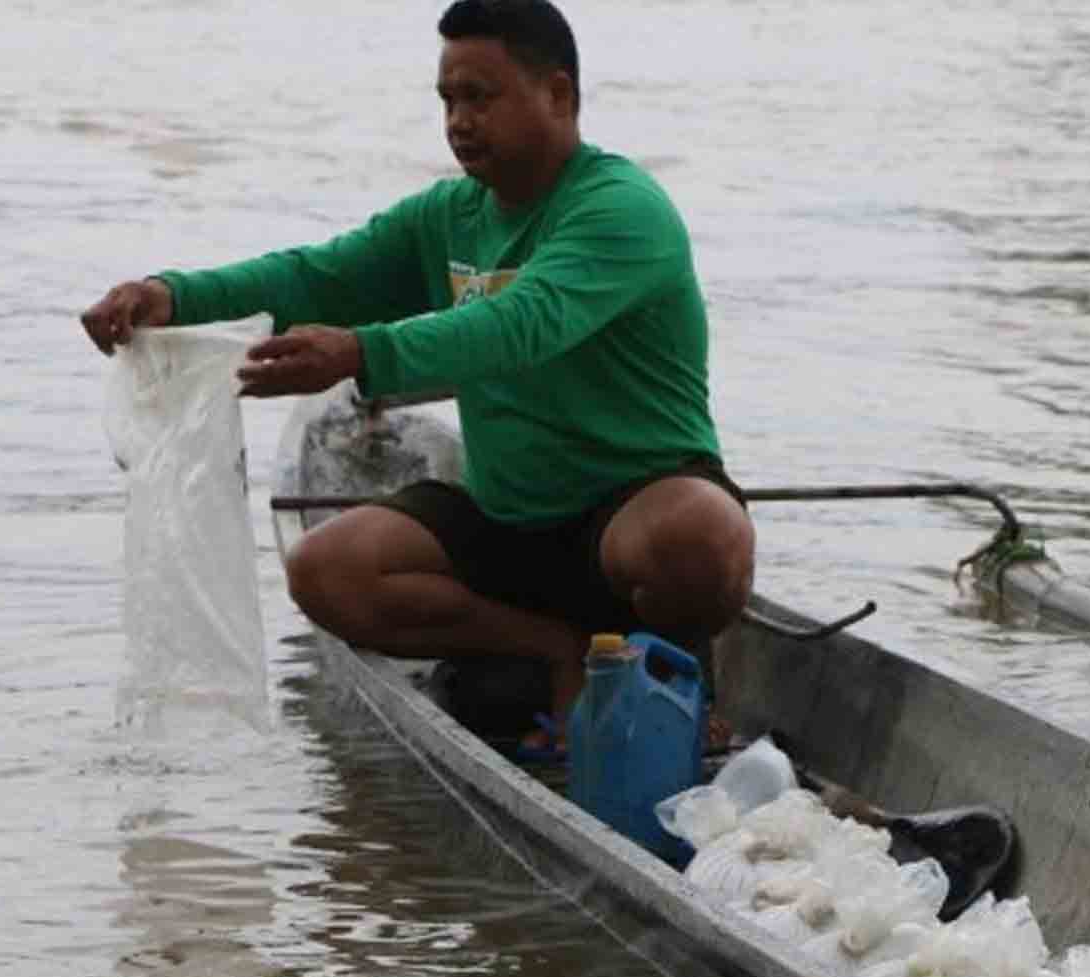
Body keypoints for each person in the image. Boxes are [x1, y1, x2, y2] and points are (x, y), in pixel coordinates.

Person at [80, 0, 753, 754]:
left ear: (558, 94)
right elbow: (315, 277)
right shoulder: (449, 216)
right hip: (510, 518)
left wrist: (362, 353)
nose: (459, 122)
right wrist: (171, 296)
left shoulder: (621, 210)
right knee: (325, 572)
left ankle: (681, 676)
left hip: (634, 512)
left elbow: (522, 323)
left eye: (480, 97)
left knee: (701, 537)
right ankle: (555, 648)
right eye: (447, 100)